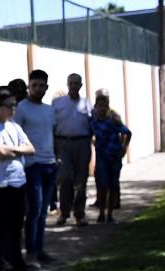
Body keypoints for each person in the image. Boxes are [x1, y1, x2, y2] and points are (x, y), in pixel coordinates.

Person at [0, 87, 44, 271]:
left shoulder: (13, 125)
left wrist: (13, 150)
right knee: (0, 226)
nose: (13, 109)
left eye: (14, 105)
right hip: (2, 182)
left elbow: (31, 149)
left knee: (16, 225)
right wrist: (18, 150)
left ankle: (16, 264)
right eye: (9, 105)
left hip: (19, 180)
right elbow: (0, 153)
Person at [13, 70, 58, 267]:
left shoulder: (49, 110)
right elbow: (15, 136)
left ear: (47, 87)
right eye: (34, 85)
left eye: (41, 86)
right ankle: (31, 252)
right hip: (32, 166)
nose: (38, 89)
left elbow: (53, 134)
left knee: (43, 212)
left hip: (50, 164)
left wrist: (57, 157)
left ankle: (39, 250)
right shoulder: (21, 109)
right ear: (29, 87)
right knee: (34, 211)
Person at [51, 72, 93, 226]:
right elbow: (52, 125)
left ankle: (79, 214)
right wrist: (54, 147)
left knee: (81, 180)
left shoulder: (87, 104)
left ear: (81, 85)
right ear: (67, 84)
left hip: (82, 143)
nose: (73, 86)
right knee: (64, 178)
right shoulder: (58, 103)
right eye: (71, 83)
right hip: (63, 144)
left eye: (76, 83)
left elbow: (94, 123)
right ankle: (64, 213)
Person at [90, 89, 132, 223]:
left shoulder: (113, 120)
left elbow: (128, 132)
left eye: (105, 106)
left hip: (114, 157)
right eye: (100, 106)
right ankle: (101, 213)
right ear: (95, 107)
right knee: (102, 186)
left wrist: (124, 147)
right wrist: (93, 141)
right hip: (101, 159)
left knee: (113, 186)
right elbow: (88, 132)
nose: (102, 109)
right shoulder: (93, 121)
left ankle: (110, 214)